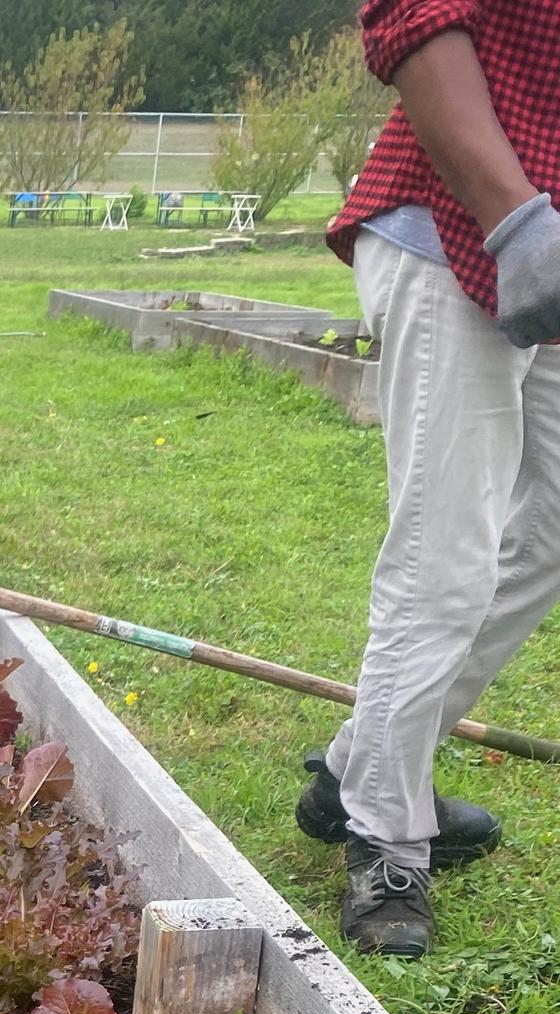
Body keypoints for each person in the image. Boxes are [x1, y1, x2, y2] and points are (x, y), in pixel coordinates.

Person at [306, 0, 560, 957]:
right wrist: (519, 220)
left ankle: (364, 766)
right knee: (443, 553)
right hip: (458, 229)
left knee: (547, 536)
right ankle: (384, 834)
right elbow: (411, 17)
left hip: (554, 248)